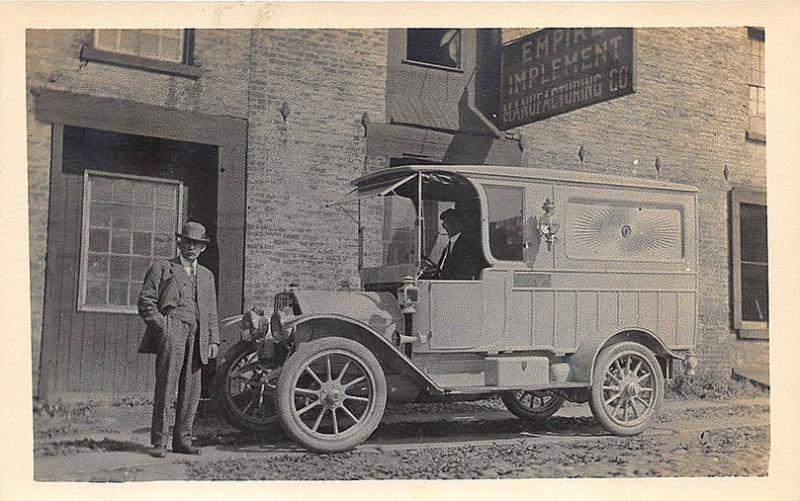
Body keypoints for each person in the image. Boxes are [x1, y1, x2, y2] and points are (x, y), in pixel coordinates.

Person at [137, 221, 220, 458]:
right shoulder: (162, 268)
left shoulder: (206, 276)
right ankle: (159, 443)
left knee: (192, 390)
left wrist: (213, 339)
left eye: (198, 244)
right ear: (179, 242)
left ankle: (183, 440)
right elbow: (146, 301)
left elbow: (212, 310)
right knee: (167, 387)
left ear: (203, 248)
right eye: (188, 242)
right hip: (172, 328)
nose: (192, 248)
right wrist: (162, 326)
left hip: (199, 333)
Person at [437, 208, 487, 280]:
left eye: (449, 222)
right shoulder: (449, 246)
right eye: (444, 225)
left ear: (458, 223)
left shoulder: (467, 245)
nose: (446, 228)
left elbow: (467, 271)